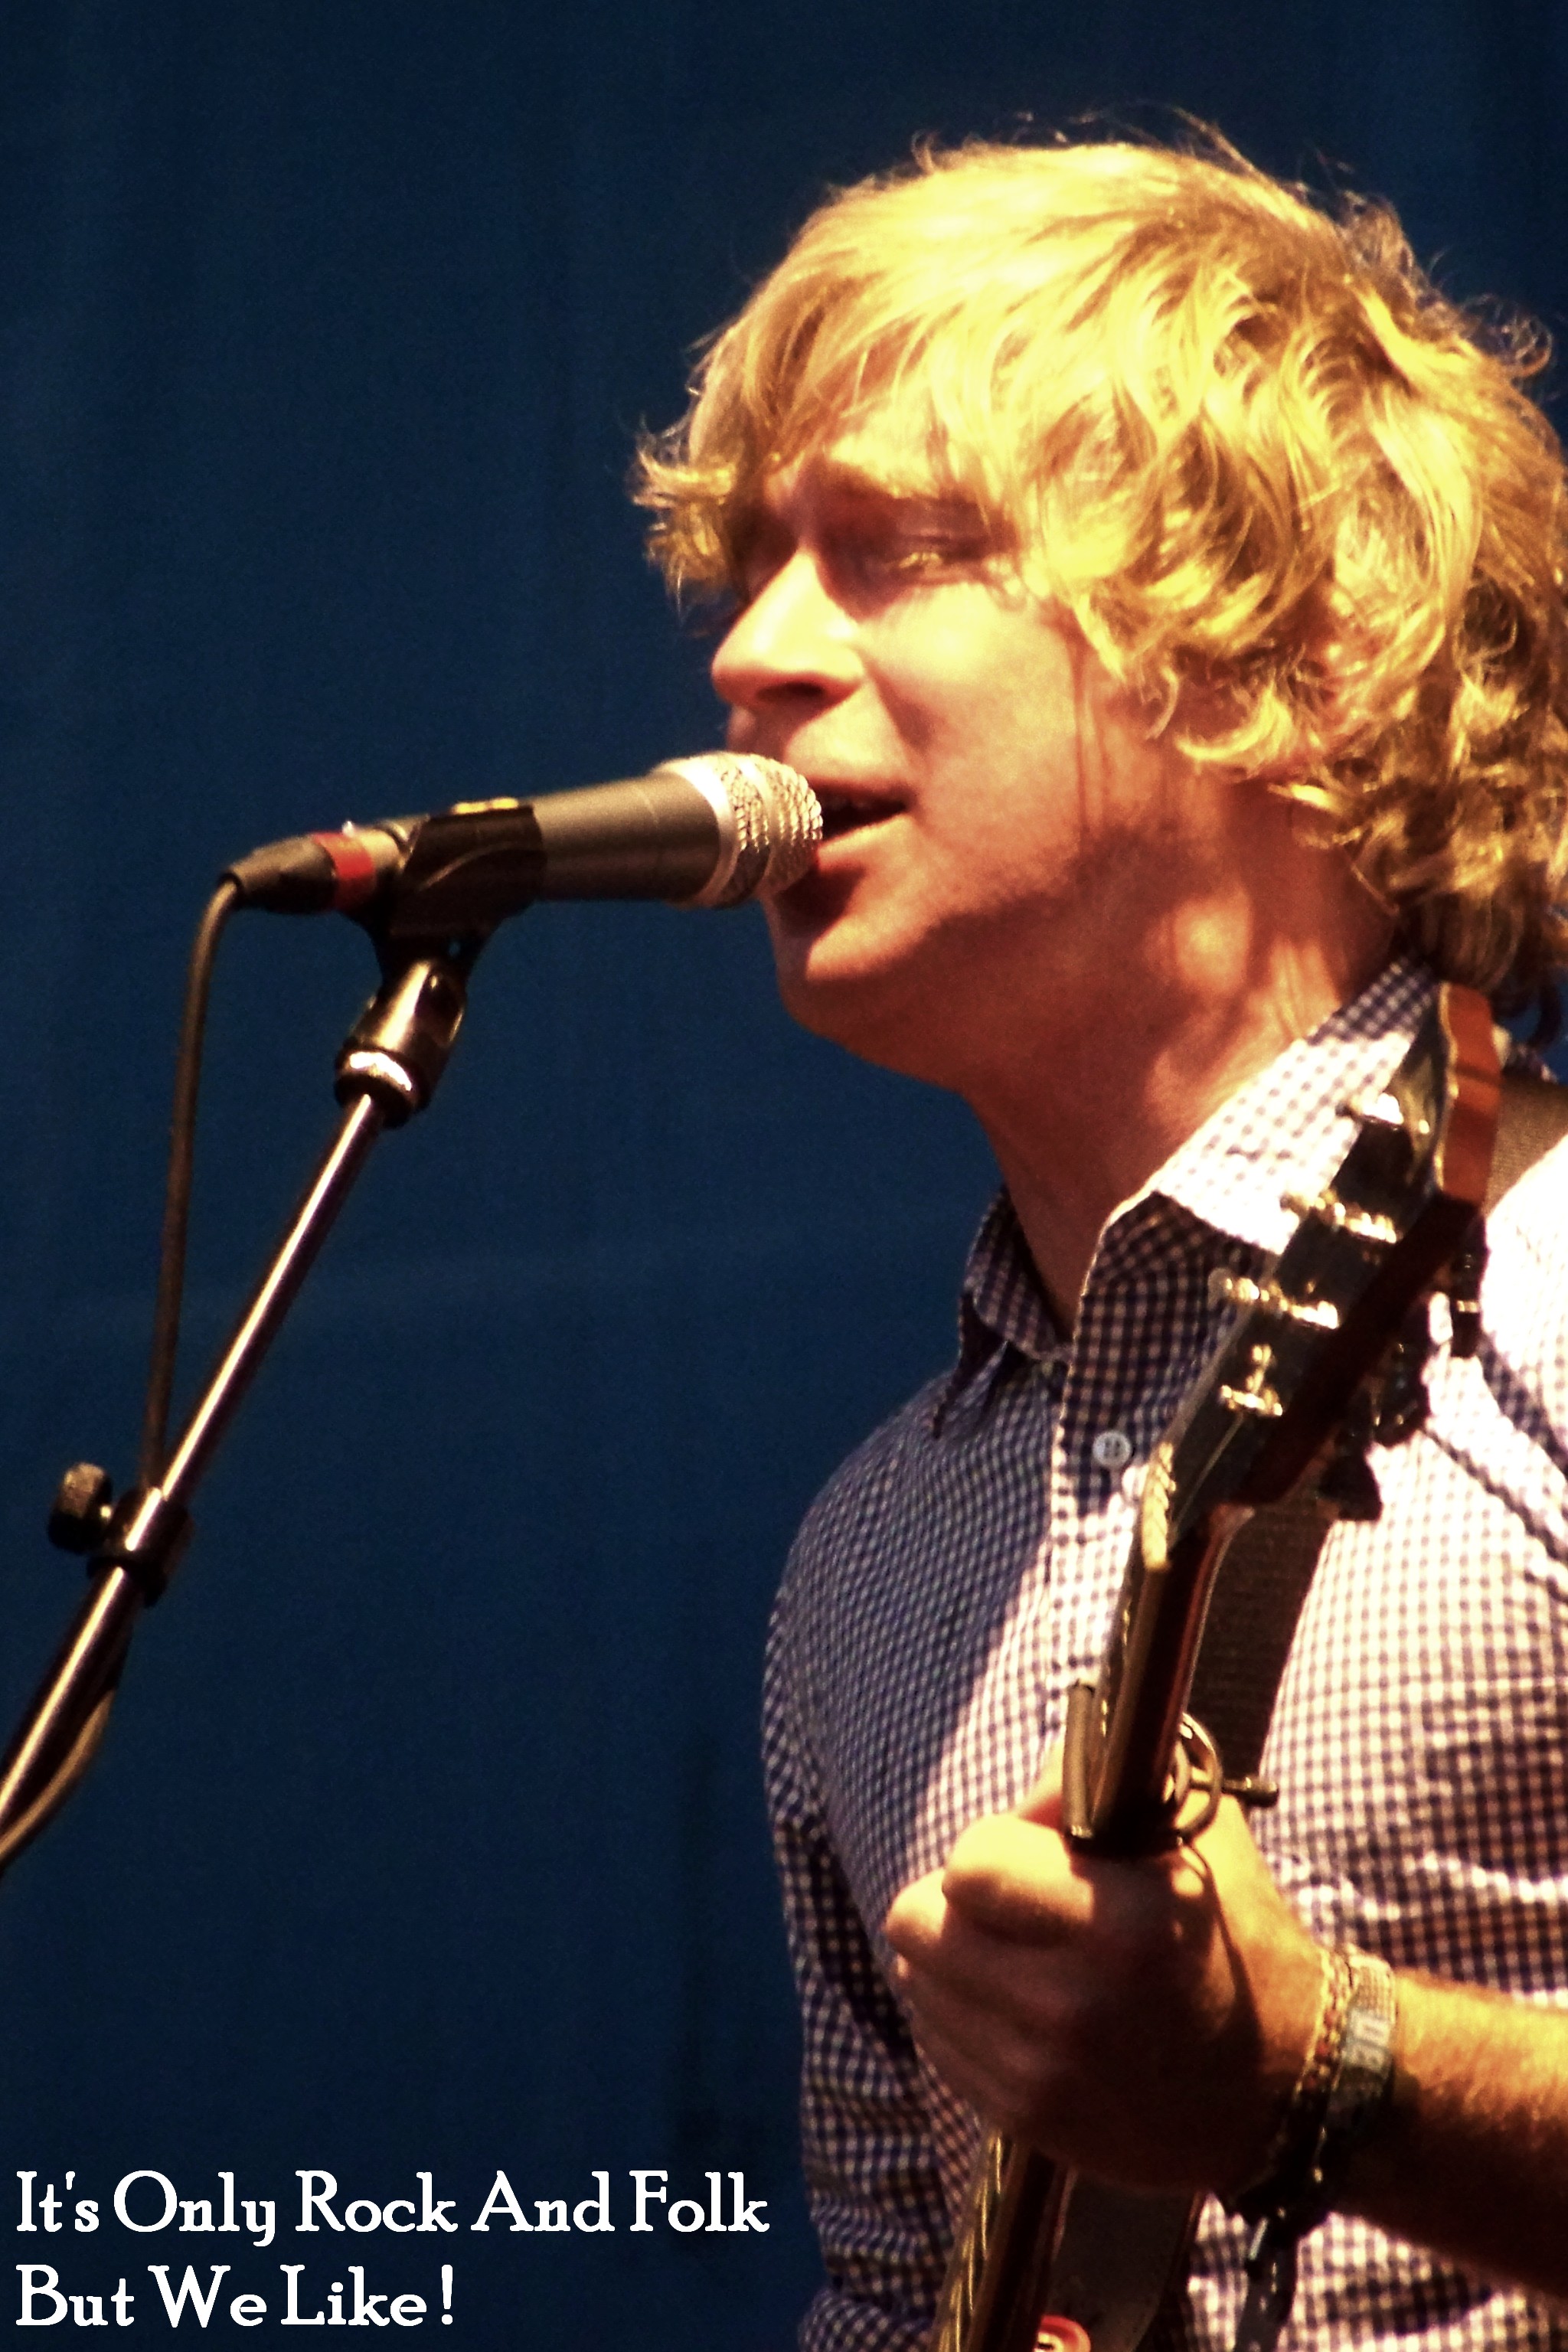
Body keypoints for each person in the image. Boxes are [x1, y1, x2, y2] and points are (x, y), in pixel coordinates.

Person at [635, 136, 1568, 2350]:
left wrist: (1326, 2073)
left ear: (1297, 649)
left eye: (893, 553)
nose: (753, 656)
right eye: (753, 572)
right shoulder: (873, 1564)